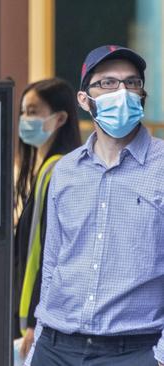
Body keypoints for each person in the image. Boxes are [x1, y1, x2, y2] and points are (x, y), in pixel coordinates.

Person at [25, 45, 164, 366]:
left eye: (132, 83)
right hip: (56, 347)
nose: (122, 92)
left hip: (135, 351)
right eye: (107, 83)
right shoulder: (66, 170)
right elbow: (53, 264)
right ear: (84, 100)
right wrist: (37, 347)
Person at [12, 78, 81, 358]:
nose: (24, 120)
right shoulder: (50, 168)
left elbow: (44, 251)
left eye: (33, 111)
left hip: (38, 316)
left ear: (60, 117)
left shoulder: (57, 171)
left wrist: (32, 320)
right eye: (23, 112)